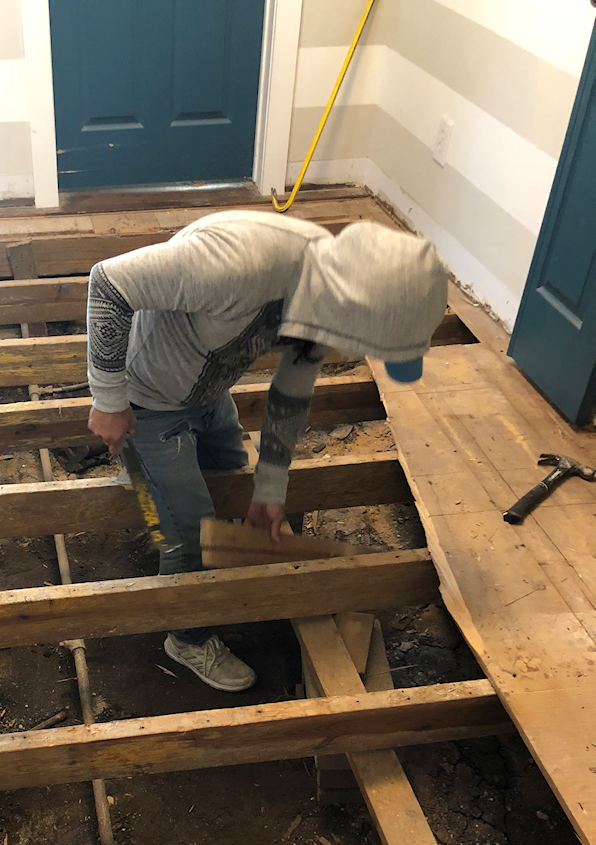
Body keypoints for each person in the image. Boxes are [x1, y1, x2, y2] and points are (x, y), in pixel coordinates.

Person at [86, 211, 447, 692]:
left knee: (232, 478)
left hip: (208, 391)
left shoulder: (330, 286)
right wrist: (110, 401)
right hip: (148, 398)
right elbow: (108, 283)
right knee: (189, 534)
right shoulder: (237, 265)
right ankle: (187, 638)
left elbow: (291, 391)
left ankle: (159, 489)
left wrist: (271, 486)